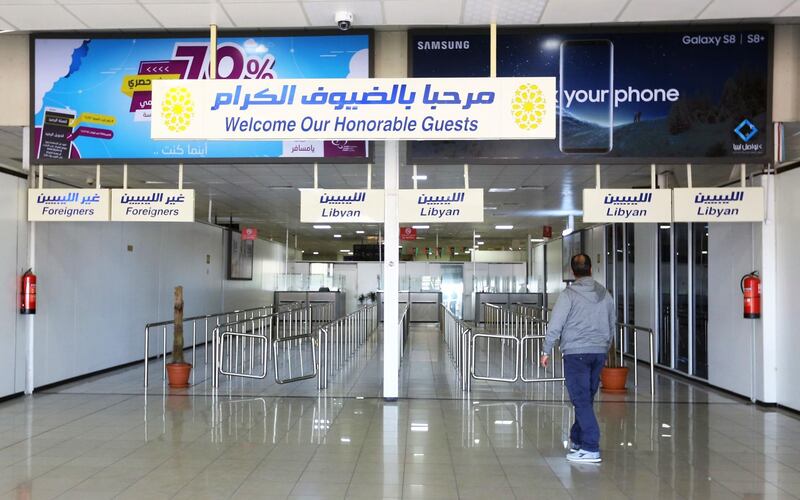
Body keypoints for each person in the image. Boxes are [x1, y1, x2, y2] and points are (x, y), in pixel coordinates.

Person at [540, 253, 615, 463]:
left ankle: (591, 447)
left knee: (580, 399)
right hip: (598, 352)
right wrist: (605, 349)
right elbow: (612, 323)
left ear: (573, 272)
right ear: (591, 269)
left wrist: (546, 350)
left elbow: (556, 324)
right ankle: (578, 441)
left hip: (576, 354)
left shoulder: (568, 295)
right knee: (586, 399)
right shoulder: (605, 293)